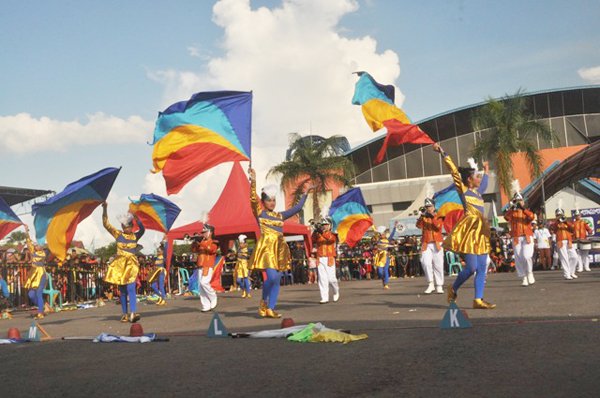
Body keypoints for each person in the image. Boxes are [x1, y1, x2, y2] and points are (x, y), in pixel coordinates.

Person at [432, 143, 495, 309]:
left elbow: (485, 182)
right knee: (472, 268)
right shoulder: (464, 190)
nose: (479, 179)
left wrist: (486, 170)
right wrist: (443, 152)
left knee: (482, 267)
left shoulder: (478, 192)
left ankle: (478, 300)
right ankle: (453, 288)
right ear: (469, 179)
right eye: (477, 176)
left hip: (480, 231)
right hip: (469, 231)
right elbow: (454, 171)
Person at [248, 167, 310, 318]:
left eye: (274, 200)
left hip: (280, 250)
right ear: (263, 202)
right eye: (269, 200)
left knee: (277, 280)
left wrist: (306, 193)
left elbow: (298, 208)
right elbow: (252, 199)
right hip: (267, 249)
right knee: (272, 277)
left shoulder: (280, 215)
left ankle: (270, 308)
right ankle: (263, 301)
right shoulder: (260, 214)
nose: (272, 202)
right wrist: (253, 180)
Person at [102, 202, 145, 323]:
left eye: (129, 226)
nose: (127, 229)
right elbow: (106, 224)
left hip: (131, 265)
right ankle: (125, 314)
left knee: (131, 288)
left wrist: (136, 216)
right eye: (125, 227)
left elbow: (143, 229)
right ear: (122, 226)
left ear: (132, 226)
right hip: (119, 266)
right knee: (123, 291)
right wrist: (105, 209)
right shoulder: (118, 234)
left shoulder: (135, 236)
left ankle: (133, 312)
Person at [504, 192, 535, 286]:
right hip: (516, 238)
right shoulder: (512, 212)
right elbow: (506, 217)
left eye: (520, 200)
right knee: (518, 258)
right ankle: (523, 277)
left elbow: (531, 217)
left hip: (527, 237)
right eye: (516, 201)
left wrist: (522, 208)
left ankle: (529, 273)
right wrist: (512, 208)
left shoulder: (527, 211)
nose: (518, 202)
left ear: (523, 201)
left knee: (527, 256)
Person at [416, 197, 445, 294]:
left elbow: (438, 226)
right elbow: (418, 226)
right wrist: (421, 216)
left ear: (433, 206)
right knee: (425, 263)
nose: (428, 208)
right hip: (426, 243)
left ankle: (439, 285)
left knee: (438, 265)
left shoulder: (439, 215)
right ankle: (431, 283)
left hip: (437, 243)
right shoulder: (424, 216)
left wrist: (432, 217)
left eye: (430, 206)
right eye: (427, 206)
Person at [191, 223, 219, 312]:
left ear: (210, 232)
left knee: (204, 283)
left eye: (205, 232)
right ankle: (205, 305)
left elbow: (211, 250)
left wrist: (201, 242)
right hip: (200, 265)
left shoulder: (214, 242)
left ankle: (213, 296)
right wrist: (194, 242)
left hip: (207, 265)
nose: (203, 234)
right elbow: (193, 250)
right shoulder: (202, 242)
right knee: (200, 287)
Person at [312, 216, 340, 304]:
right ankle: (324, 297)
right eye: (323, 225)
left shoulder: (333, 234)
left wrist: (321, 232)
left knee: (332, 279)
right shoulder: (318, 234)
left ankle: (336, 291)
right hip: (320, 258)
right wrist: (315, 231)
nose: (324, 226)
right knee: (322, 279)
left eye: (326, 224)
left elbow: (330, 239)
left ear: (330, 225)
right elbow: (312, 240)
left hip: (329, 258)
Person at [23, 225, 47, 319]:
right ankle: (43, 306)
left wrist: (32, 250)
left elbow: (37, 256)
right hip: (33, 275)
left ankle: (40, 312)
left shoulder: (43, 253)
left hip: (41, 275)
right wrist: (26, 231)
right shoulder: (33, 251)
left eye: (38, 245)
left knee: (38, 293)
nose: (36, 246)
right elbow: (29, 243)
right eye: (36, 244)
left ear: (42, 246)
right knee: (31, 295)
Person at [549, 208, 578, 280]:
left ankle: (571, 272)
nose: (559, 216)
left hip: (569, 241)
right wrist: (558, 220)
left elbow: (573, 228)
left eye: (560, 214)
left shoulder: (567, 222)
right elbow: (553, 229)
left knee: (574, 257)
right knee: (564, 258)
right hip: (560, 242)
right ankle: (567, 274)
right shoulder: (554, 223)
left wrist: (566, 222)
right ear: (556, 215)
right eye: (558, 215)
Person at [373, 225, 396, 289]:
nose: (383, 235)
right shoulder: (379, 241)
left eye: (384, 234)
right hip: (380, 258)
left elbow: (392, 234)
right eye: (382, 234)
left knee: (386, 270)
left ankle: (386, 284)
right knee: (380, 272)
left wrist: (395, 227)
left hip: (386, 257)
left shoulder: (388, 240)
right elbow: (375, 234)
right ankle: (383, 278)